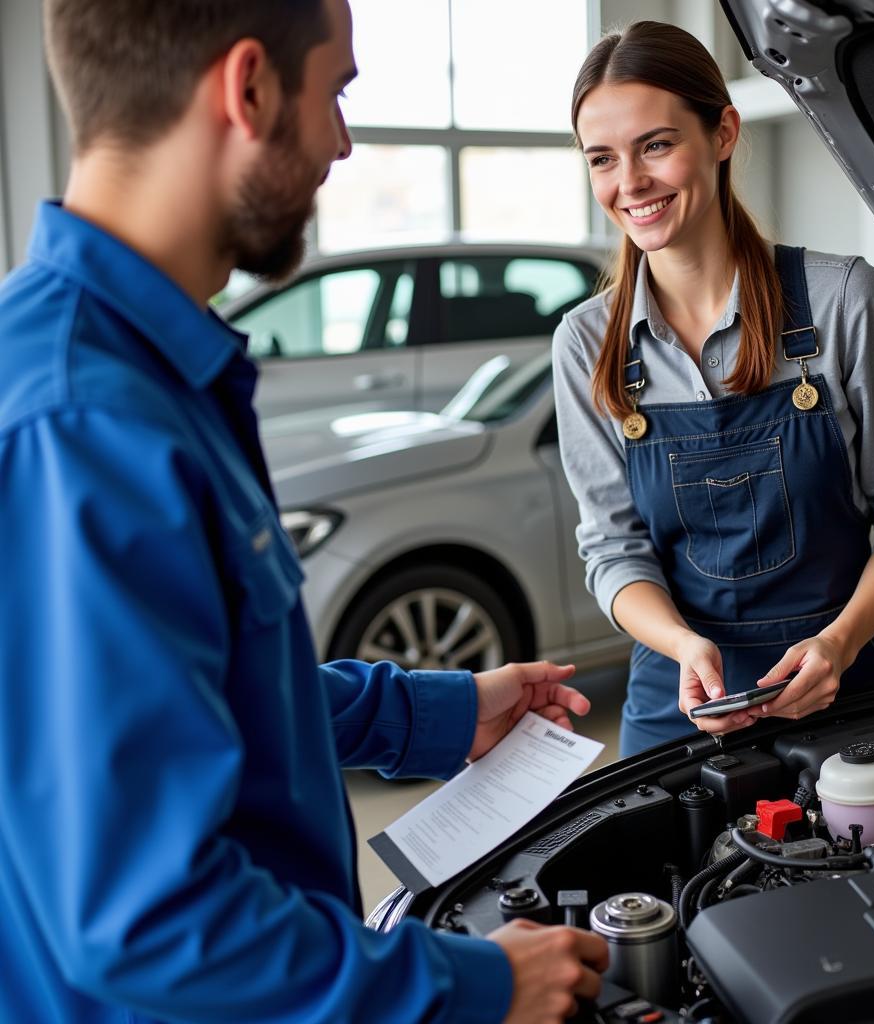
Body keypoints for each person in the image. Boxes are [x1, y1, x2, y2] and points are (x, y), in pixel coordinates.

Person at [0, 1, 609, 1022]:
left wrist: (441, 712)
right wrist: (473, 985)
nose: (341, 141)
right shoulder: (84, 424)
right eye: (336, 91)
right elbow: (149, 924)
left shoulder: (149, 372)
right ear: (248, 88)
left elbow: (208, 689)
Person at [552, 21, 874, 758]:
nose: (630, 183)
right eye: (602, 158)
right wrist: (683, 646)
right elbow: (614, 549)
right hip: (678, 702)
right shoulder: (586, 343)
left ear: (724, 133)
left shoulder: (842, 302)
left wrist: (836, 643)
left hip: (847, 685)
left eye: (656, 144)